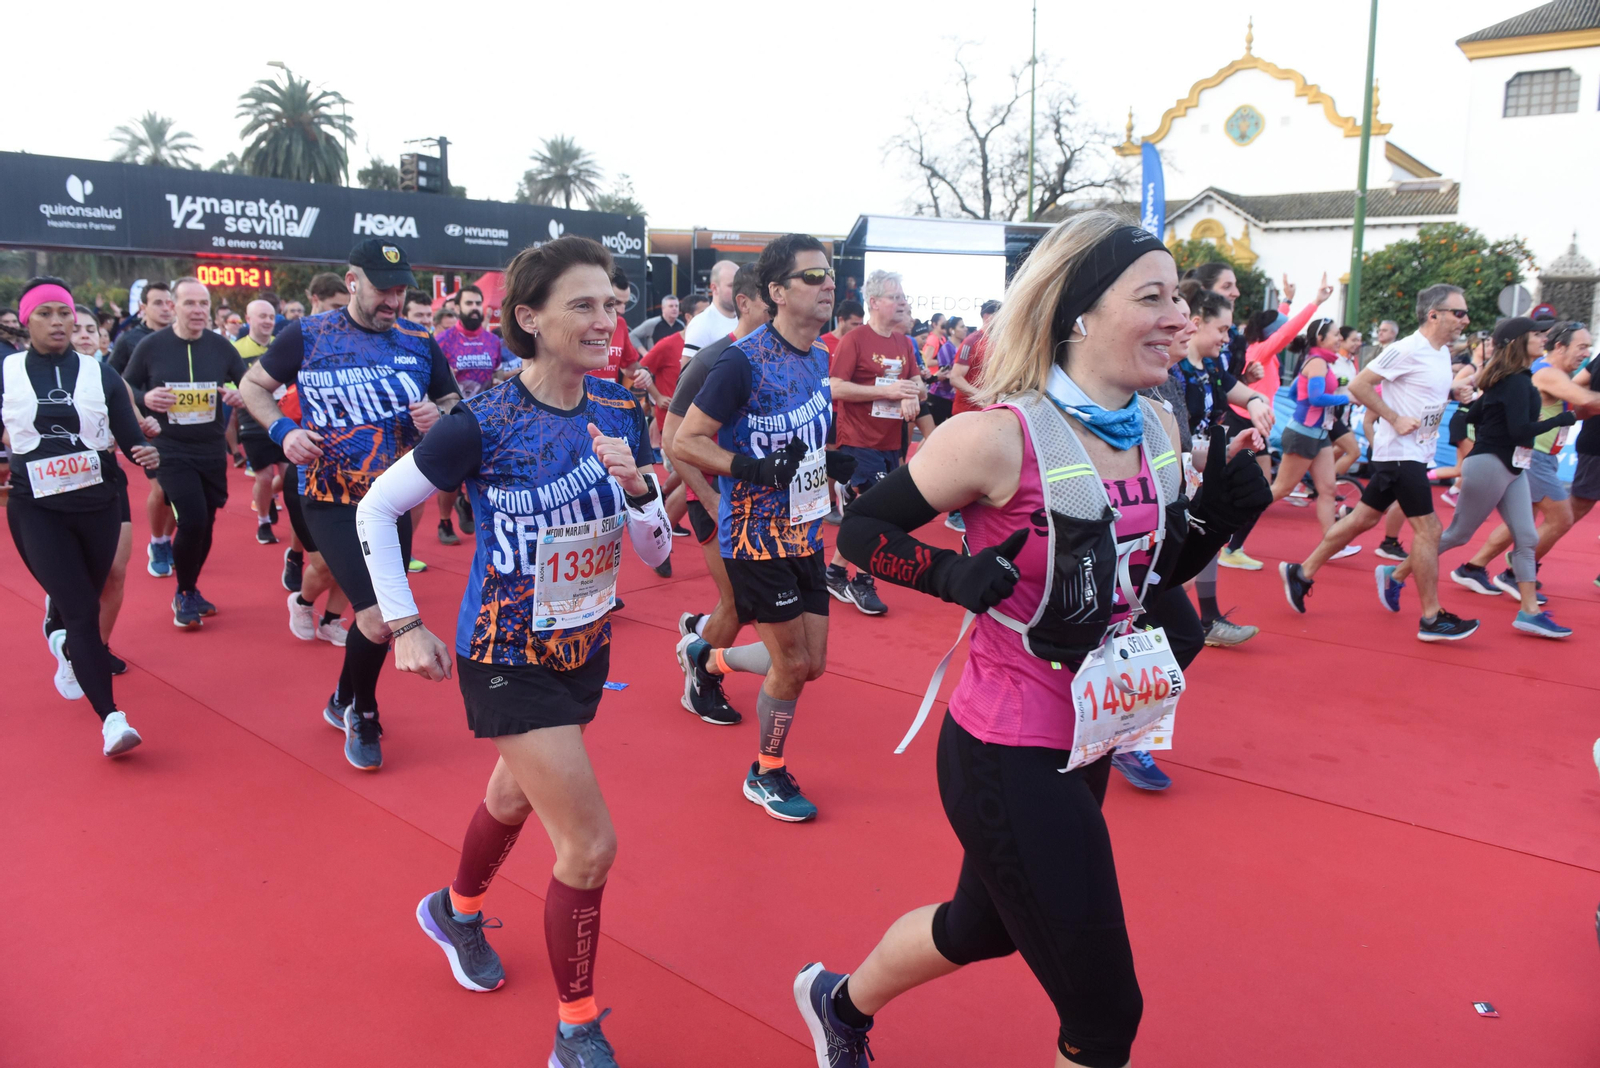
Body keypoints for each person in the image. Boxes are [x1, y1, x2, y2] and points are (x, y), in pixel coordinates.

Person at [795, 214, 1271, 1068]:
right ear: (1079, 314)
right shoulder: (994, 437)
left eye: (1179, 300)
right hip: (1006, 746)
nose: (1178, 317)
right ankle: (839, 1002)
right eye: (1152, 298)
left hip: (1091, 732)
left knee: (978, 927)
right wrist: (945, 576)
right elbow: (861, 531)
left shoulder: (1157, 428)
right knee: (1104, 1017)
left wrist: (1221, 516)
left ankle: (838, 999)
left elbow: (1147, 580)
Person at [352, 236, 668, 1068]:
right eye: (584, 305)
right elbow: (378, 511)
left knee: (515, 796)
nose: (607, 320)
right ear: (528, 318)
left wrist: (639, 489)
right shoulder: (482, 420)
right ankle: (577, 1027)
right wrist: (406, 622)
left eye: (612, 303)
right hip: (506, 653)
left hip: (585, 642)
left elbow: (661, 549)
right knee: (590, 846)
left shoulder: (619, 410)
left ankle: (454, 911)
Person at [240, 239, 461, 771]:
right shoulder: (308, 335)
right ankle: (363, 710)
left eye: (401, 290)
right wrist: (282, 429)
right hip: (329, 498)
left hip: (392, 501)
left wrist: (440, 415)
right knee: (380, 613)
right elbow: (253, 384)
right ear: (353, 280)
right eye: (383, 290)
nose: (393, 301)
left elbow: (454, 403)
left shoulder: (417, 340)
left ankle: (341, 697)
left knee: (378, 616)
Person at [674, 234, 847, 823]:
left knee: (812, 663)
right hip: (752, 535)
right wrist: (748, 468)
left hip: (803, 530)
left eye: (829, 274)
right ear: (775, 292)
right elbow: (684, 439)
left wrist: (830, 466)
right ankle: (766, 772)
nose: (827, 283)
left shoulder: (821, 356)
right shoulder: (740, 361)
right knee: (793, 665)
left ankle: (706, 658)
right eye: (811, 276)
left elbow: (805, 440)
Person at [4, 278, 161, 755]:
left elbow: (130, 435)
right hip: (36, 508)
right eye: (45, 313)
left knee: (87, 597)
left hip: (99, 504)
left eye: (64, 314)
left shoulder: (101, 373)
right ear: (26, 320)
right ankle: (112, 719)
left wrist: (145, 454)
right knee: (84, 611)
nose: (57, 322)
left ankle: (59, 636)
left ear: (76, 320)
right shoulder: (8, 370)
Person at [1280, 284, 1480, 641]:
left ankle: (1302, 572)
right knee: (1430, 531)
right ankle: (1432, 618)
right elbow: (1359, 385)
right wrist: (1393, 417)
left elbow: (1420, 393)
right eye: (1459, 312)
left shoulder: (1439, 353)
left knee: (1363, 519)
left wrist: (1454, 391)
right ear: (1434, 314)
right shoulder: (1407, 348)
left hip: (1413, 453)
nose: (1465, 319)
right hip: (1401, 454)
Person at [1383, 317, 1575, 637]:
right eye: (1536, 335)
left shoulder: (1512, 380)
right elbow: (1518, 431)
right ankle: (1397, 574)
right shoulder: (1514, 382)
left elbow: (1474, 414)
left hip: (1511, 467)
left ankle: (1529, 612)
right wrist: (1559, 419)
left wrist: (1500, 419)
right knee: (1458, 534)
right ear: (1518, 342)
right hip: (1490, 465)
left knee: (1526, 538)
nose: (1543, 339)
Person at [662, 264, 775, 726]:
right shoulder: (712, 360)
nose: (781, 310)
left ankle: (699, 633)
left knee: (743, 603)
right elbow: (673, 437)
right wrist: (708, 498)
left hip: (764, 505)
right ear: (746, 303)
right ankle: (701, 674)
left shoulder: (783, 357)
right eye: (773, 302)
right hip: (715, 499)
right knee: (738, 601)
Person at [123, 277, 249, 628]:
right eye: (189, 303)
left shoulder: (222, 347)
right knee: (191, 519)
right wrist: (144, 398)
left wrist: (242, 395)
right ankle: (183, 592)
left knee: (205, 524)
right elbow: (125, 385)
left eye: (203, 304)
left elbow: (248, 382)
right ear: (173, 307)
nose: (197, 310)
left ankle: (190, 589)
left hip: (211, 449)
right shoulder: (151, 345)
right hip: (170, 448)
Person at [1455, 320, 1600, 594]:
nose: (1586, 353)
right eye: (1582, 347)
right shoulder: (1547, 373)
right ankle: (1516, 574)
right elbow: (1588, 401)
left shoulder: (1559, 375)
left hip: (1538, 456)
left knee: (1519, 523)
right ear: (1559, 346)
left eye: (1589, 348)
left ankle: (1472, 568)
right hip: (1534, 457)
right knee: (1561, 519)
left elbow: (1583, 405)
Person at [1169, 282, 1273, 649]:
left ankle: (1206, 619)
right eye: (1223, 330)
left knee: (1201, 546)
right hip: (1177, 477)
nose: (1228, 339)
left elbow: (1239, 392)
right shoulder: (1168, 372)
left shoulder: (1210, 368)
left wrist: (1257, 402)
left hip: (1198, 472)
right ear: (1196, 322)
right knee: (1171, 568)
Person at [823, 269, 924, 615]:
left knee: (867, 512)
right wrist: (889, 391)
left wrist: (910, 393)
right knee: (880, 512)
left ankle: (834, 571)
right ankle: (862, 582)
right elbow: (835, 387)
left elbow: (917, 382)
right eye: (894, 297)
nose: (901, 302)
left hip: (890, 442)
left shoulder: (903, 342)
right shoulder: (855, 340)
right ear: (874, 302)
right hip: (857, 440)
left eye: (901, 297)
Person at [1218, 273, 1334, 570]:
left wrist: (1287, 300)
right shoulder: (1260, 350)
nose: (1286, 337)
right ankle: (1227, 546)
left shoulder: (1262, 351)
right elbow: (1283, 332)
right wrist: (1315, 303)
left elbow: (1279, 325)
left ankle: (1231, 547)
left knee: (1259, 490)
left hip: (1255, 424)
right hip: (1242, 422)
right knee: (1248, 490)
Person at [280, 274, 354, 645]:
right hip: (307, 475)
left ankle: (333, 619)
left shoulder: (360, 347)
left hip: (357, 475)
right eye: (335, 307)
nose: (343, 315)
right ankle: (303, 600)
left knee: (357, 562)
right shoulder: (296, 343)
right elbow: (260, 393)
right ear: (314, 300)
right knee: (325, 564)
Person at [1260, 319, 1363, 556]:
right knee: (1282, 489)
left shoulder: (1320, 363)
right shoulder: (1317, 363)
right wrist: (1346, 399)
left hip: (1319, 434)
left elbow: (1298, 392)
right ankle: (1233, 520)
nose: (1339, 339)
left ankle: (1331, 544)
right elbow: (1315, 398)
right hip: (1303, 435)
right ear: (1321, 339)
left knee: (1327, 489)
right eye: (1336, 335)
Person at [433, 284, 520, 546]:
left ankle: (466, 503)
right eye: (469, 303)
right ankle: (444, 521)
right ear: (457, 307)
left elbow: (496, 376)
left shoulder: (493, 341)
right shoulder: (443, 341)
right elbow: (434, 381)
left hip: (485, 419)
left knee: (482, 476)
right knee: (449, 480)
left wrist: (518, 374)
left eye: (477, 303)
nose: (474, 308)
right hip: (450, 418)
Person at [233, 299, 284, 546]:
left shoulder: (283, 345)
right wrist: (236, 393)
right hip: (252, 420)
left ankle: (269, 496)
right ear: (248, 319)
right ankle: (264, 520)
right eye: (261, 316)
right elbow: (230, 383)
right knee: (263, 476)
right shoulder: (236, 349)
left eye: (271, 317)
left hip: (285, 418)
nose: (267, 321)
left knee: (289, 476)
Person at [679, 260, 739, 367]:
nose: (739, 290)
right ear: (714, 288)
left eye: (740, 285)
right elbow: (688, 378)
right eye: (732, 286)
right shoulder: (700, 323)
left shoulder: (746, 320)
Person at [948, 299, 1000, 415]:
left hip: (988, 411)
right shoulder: (972, 340)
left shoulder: (997, 341)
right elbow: (955, 377)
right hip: (967, 412)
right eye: (1000, 316)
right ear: (987, 317)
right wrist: (982, 396)